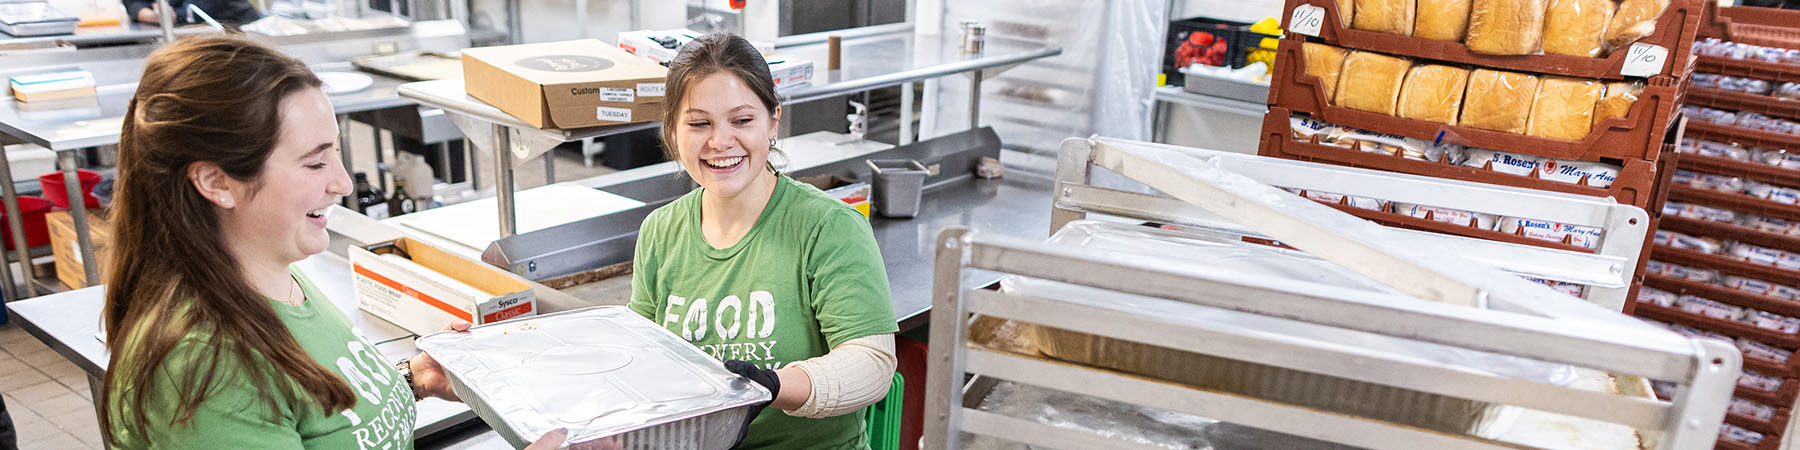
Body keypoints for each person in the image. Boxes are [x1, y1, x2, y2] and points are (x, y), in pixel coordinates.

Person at [96, 36, 563, 449]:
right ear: (217, 182)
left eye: (336, 152)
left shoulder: (273, 272)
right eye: (314, 163)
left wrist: (407, 380)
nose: (342, 183)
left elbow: (321, 411)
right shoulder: (199, 369)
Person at [628, 33, 899, 450]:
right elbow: (643, 360)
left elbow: (872, 365)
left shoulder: (828, 226)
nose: (720, 142)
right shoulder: (660, 232)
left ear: (773, 121)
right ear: (671, 131)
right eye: (699, 123)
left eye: (742, 120)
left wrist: (772, 387)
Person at [124, 0, 261, 25]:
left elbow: (202, 8)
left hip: (236, 28)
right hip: (194, 31)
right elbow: (134, 2)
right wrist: (147, 14)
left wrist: (172, 15)